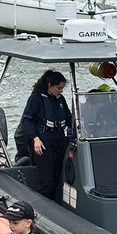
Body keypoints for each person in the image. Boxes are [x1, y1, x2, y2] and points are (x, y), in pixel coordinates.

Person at [20, 69, 72, 200]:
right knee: (46, 180)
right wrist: (36, 139)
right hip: (43, 142)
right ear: (50, 85)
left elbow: (68, 117)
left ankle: (56, 201)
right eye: (59, 88)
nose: (61, 91)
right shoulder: (36, 98)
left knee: (57, 176)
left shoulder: (60, 99)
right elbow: (27, 120)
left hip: (58, 140)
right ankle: (44, 203)